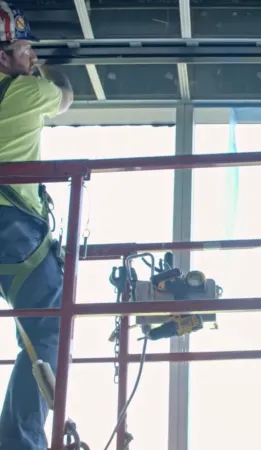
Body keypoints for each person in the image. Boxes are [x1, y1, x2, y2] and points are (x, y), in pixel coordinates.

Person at [0, 2, 73, 449]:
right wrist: (49, 71)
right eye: (24, 49)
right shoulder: (25, 93)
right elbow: (65, 98)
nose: (30, 57)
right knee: (46, 326)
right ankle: (19, 441)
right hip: (11, 229)